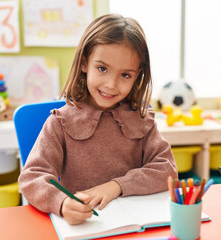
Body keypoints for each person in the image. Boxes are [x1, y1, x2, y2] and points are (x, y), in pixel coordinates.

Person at [18, 14, 178, 225]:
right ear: (84, 63)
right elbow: (32, 177)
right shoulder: (59, 123)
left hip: (134, 225)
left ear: (137, 75)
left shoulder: (142, 120)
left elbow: (167, 169)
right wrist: (62, 203)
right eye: (102, 69)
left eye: (125, 75)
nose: (111, 84)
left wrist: (116, 186)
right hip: (84, 226)